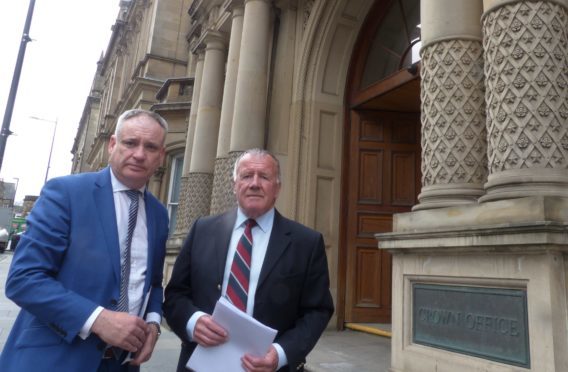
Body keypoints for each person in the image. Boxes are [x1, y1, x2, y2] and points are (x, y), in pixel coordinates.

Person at [0, 109, 170, 372]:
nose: (139, 154)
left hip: (122, 364)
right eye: (130, 143)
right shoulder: (66, 193)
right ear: (112, 144)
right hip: (55, 359)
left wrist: (154, 323)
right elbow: (24, 279)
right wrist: (98, 319)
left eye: (150, 147)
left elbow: (154, 283)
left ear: (161, 156)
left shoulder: (159, 214)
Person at [163, 148, 334, 372]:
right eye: (246, 176)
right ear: (235, 185)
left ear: (277, 188)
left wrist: (281, 354)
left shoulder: (306, 242)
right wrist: (193, 322)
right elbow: (175, 294)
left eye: (264, 176)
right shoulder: (202, 230)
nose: (254, 183)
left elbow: (317, 310)